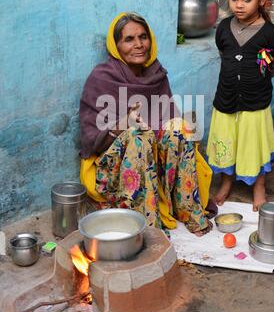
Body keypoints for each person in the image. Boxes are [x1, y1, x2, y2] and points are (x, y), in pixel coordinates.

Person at [79, 12, 212, 234]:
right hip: (111, 167)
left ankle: (187, 209)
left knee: (179, 127)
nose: (139, 45)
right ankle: (147, 226)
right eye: (129, 39)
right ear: (116, 45)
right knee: (138, 135)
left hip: (153, 160)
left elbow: (170, 121)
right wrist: (125, 123)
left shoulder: (156, 74)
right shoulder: (101, 78)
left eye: (143, 37)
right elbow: (92, 142)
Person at [206, 0, 274, 211]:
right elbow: (225, 54)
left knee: (253, 144)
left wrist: (259, 78)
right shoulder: (223, 29)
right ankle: (226, 182)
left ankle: (259, 187)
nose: (239, 5)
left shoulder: (270, 34)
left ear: (262, 0)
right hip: (226, 100)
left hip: (255, 102)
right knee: (227, 142)